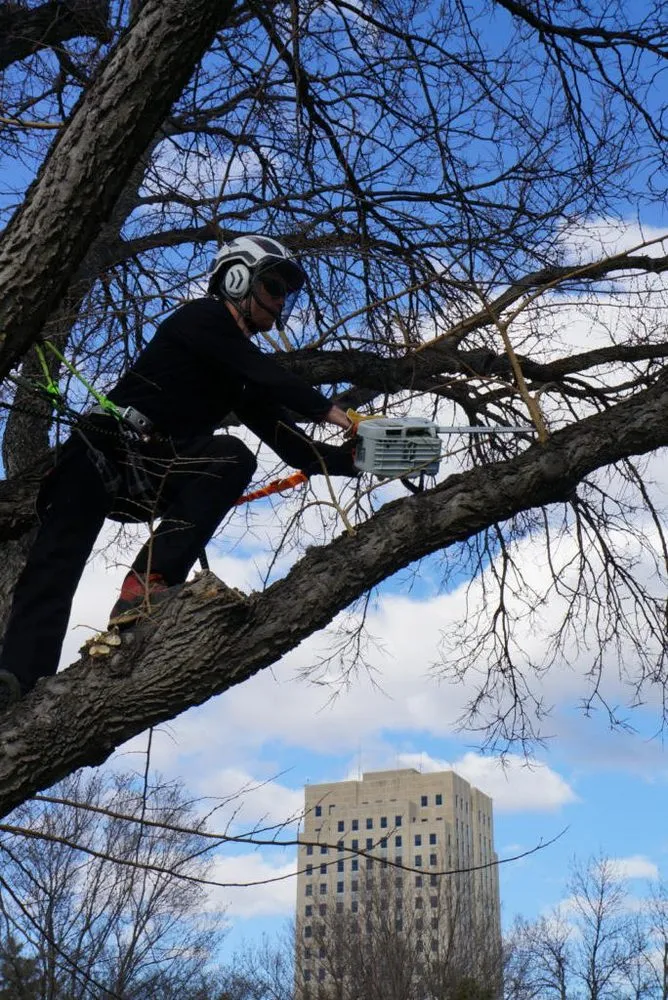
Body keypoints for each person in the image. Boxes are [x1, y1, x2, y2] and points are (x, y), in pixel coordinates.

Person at [0, 236, 357, 710]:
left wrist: (358, 458)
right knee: (56, 564)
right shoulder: (201, 319)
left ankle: (147, 583)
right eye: (272, 286)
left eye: (284, 292)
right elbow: (266, 371)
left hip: (156, 468)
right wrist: (335, 411)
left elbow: (295, 448)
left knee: (232, 456)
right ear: (236, 279)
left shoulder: (238, 375)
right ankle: (16, 681)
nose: (279, 301)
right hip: (101, 449)